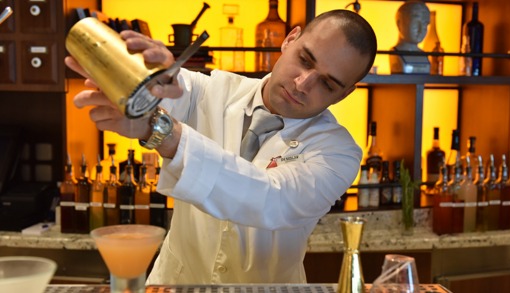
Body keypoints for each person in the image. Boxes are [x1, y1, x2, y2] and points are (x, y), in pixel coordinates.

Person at [65, 9, 377, 284]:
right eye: (304, 59)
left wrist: (166, 135)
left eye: (327, 83)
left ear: (345, 93)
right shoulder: (211, 89)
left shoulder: (338, 152)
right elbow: (171, 91)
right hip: (176, 283)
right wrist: (142, 77)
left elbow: (271, 198)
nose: (302, 83)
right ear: (289, 39)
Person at [390, 1, 430, 73]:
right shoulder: (395, 53)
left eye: (425, 24)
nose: (421, 29)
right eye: (415, 23)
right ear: (399, 24)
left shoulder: (423, 54)